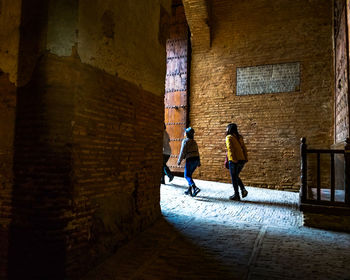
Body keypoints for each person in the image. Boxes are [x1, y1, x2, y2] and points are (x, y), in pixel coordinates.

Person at [225, 123, 248, 201]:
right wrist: (246, 157)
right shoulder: (239, 137)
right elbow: (244, 148)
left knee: (234, 177)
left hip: (234, 160)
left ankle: (236, 195)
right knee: (236, 176)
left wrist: (233, 160)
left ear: (229, 129)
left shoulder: (229, 137)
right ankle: (243, 190)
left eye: (227, 128)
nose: (226, 130)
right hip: (242, 159)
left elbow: (230, 149)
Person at [177, 127, 201, 197]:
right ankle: (189, 190)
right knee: (189, 175)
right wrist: (199, 162)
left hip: (190, 160)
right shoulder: (194, 141)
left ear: (186, 134)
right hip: (196, 160)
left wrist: (179, 161)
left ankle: (195, 188)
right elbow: (197, 152)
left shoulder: (185, 141)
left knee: (186, 175)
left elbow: (182, 152)